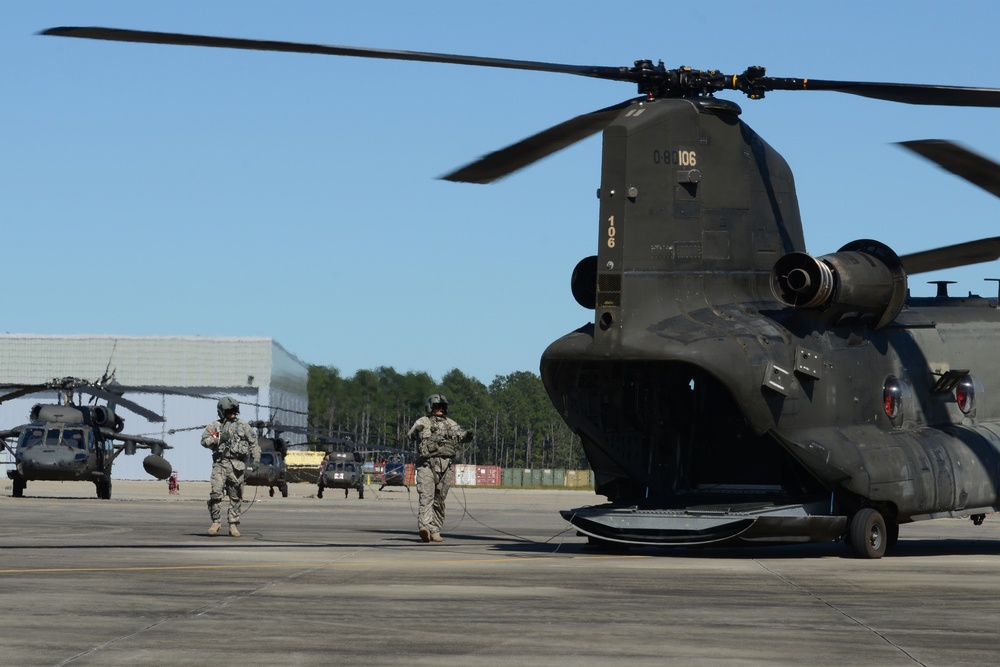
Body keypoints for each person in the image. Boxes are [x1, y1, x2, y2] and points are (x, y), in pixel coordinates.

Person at [407, 394, 473, 543]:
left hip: (445, 466)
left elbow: (461, 436)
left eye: (442, 407)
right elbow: (410, 435)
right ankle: (424, 527)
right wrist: (416, 431)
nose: (440, 409)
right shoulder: (422, 422)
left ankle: (435, 530)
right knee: (426, 497)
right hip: (427, 465)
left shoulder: (451, 424)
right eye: (437, 406)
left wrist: (468, 435)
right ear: (430, 407)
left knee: (440, 500)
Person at [201, 396, 260, 537]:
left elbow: (254, 444)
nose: (232, 414)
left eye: (234, 412)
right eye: (229, 412)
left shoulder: (244, 426)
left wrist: (256, 460)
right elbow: (204, 441)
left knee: (236, 496)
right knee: (216, 494)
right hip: (220, 464)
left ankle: (233, 525)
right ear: (222, 412)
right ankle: (216, 522)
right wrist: (219, 438)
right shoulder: (216, 426)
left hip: (237, 466)